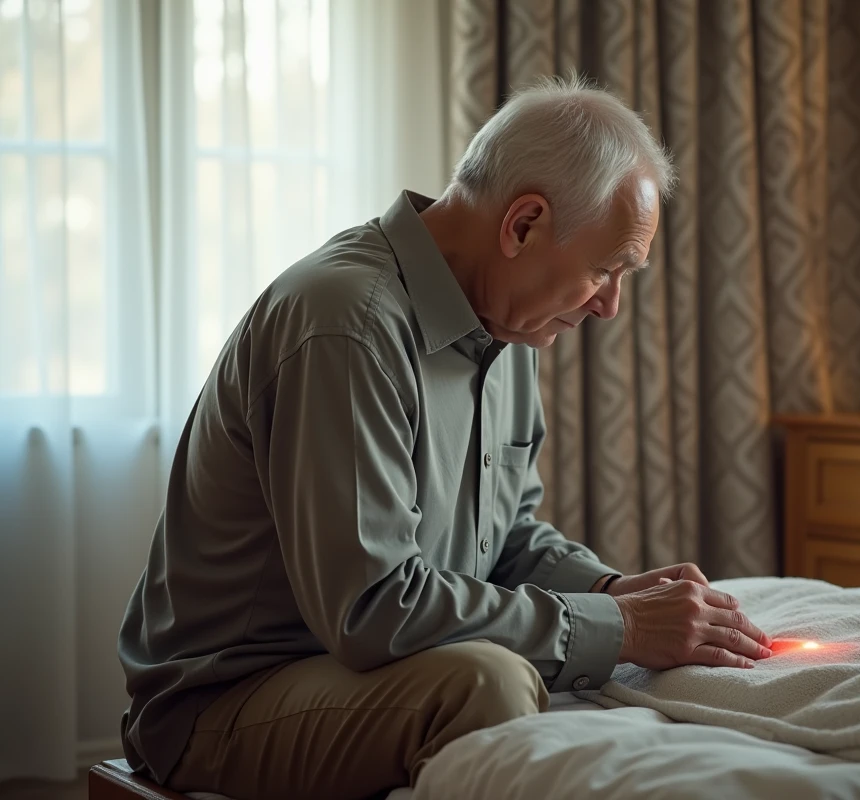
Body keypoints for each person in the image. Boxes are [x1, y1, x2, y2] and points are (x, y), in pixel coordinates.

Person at [118, 75, 772, 800]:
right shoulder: (346, 324)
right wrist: (616, 628)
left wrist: (614, 590)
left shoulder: (505, 328)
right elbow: (373, 609)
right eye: (605, 269)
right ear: (523, 225)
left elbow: (509, 540)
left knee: (525, 670)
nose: (610, 306)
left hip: (359, 667)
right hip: (224, 699)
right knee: (489, 685)